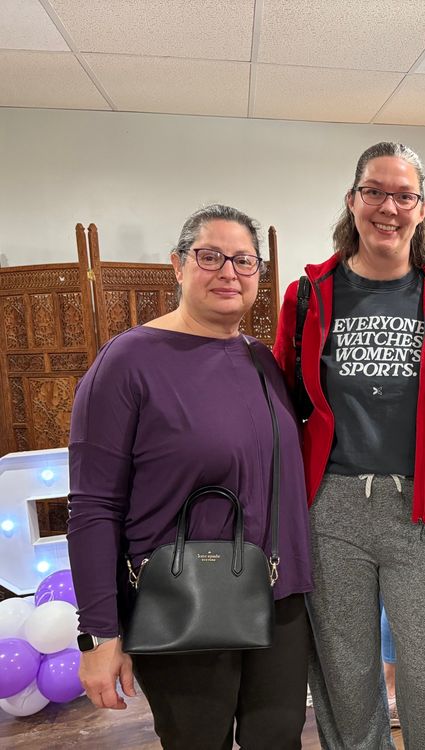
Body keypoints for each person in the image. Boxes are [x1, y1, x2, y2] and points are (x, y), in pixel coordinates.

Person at [67, 204, 313, 749]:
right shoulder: (127, 362)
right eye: (210, 257)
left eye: (244, 261)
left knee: (279, 739)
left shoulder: (261, 360)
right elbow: (92, 506)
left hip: (277, 597)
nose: (229, 272)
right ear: (177, 265)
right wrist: (100, 632)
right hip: (184, 597)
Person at [272, 142, 425, 750]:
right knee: (345, 670)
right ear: (353, 200)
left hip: (422, 510)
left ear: (422, 208)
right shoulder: (308, 295)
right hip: (332, 508)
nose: (389, 207)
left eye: (403, 195)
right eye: (375, 192)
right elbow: (282, 401)